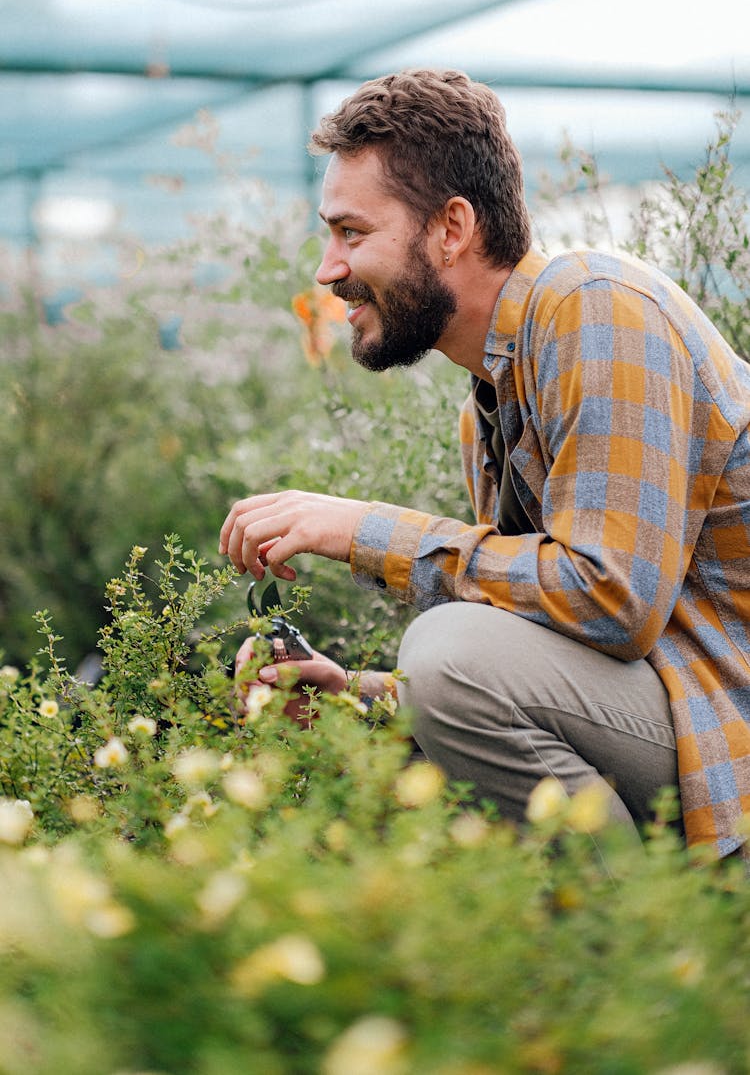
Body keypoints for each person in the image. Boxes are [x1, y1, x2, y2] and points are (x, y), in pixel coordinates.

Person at [219, 68, 750, 861]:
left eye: (351, 233)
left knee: (449, 648)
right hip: (692, 722)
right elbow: (535, 668)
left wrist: (364, 529)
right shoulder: (492, 399)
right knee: (448, 657)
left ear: (451, 228)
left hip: (728, 727)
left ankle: (630, 953)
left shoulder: (595, 307)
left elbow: (612, 600)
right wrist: (358, 700)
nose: (327, 269)